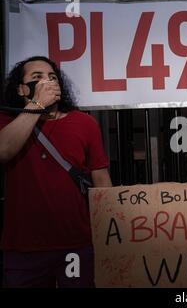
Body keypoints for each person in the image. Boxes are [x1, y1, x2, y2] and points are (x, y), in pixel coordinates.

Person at [0, 56, 112, 288]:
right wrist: (36, 106)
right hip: (23, 248)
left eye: (52, 77)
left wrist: (108, 233)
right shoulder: (7, 120)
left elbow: (101, 181)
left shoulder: (84, 123)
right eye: (37, 78)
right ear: (22, 89)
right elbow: (4, 150)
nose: (47, 82)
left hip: (76, 245)